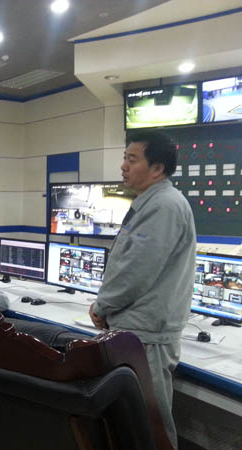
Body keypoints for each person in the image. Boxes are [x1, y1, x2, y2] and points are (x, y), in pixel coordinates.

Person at [89, 131, 196, 449]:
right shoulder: (150, 203)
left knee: (150, 426)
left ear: (157, 168)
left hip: (146, 335)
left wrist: (102, 306)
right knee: (132, 424)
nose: (123, 166)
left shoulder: (164, 206)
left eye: (132, 159)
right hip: (136, 330)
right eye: (125, 158)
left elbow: (136, 271)